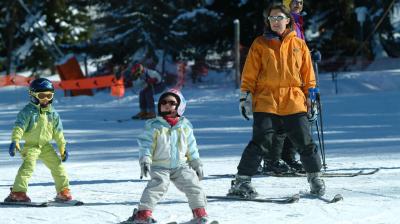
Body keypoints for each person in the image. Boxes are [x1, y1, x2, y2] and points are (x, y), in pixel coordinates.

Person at [229, 4, 325, 198]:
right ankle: (241, 182)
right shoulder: (260, 44)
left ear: (288, 20)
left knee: (304, 141)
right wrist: (245, 95)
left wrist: (311, 98)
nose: (275, 21)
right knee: (260, 142)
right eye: (271, 18)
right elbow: (249, 74)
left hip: (294, 100)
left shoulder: (299, 44)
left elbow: (308, 76)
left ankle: (315, 179)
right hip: (266, 100)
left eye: (279, 17)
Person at [127, 89, 208, 224]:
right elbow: (146, 145)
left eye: (172, 103)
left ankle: (199, 214)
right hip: (159, 165)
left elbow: (191, 147)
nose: (167, 105)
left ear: (180, 106)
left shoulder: (185, 126)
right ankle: (143, 214)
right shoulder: (154, 126)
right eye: (163, 102)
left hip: (180, 166)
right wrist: (145, 160)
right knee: (158, 185)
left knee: (193, 184)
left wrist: (196, 163)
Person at [4, 78, 72, 202]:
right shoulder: (27, 112)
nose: (45, 99)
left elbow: (58, 133)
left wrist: (62, 147)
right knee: (28, 167)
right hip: (31, 146)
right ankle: (18, 193)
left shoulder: (53, 114)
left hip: (46, 146)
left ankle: (63, 191)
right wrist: (15, 140)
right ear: (33, 95)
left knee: (58, 166)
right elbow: (19, 127)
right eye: (42, 95)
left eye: (49, 95)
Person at [261, 0, 307, 174]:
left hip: (296, 79)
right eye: (294, 2)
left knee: (296, 121)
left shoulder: (298, 23)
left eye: (301, 2)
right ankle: (272, 159)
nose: (298, 5)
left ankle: (287, 157)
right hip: (280, 82)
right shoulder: (280, 23)